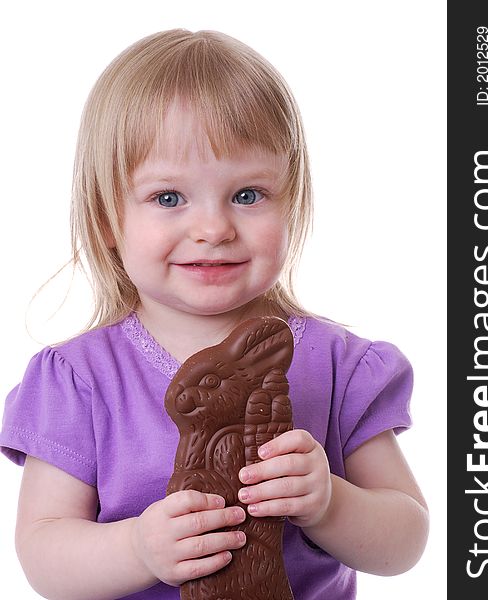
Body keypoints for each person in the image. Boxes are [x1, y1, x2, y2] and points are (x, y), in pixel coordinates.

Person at [0, 29, 428, 600]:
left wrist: (329, 503)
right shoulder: (78, 380)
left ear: (292, 202)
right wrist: (137, 549)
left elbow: (406, 539)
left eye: (247, 194)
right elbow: (43, 554)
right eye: (169, 198)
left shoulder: (340, 366)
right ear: (106, 216)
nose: (214, 229)